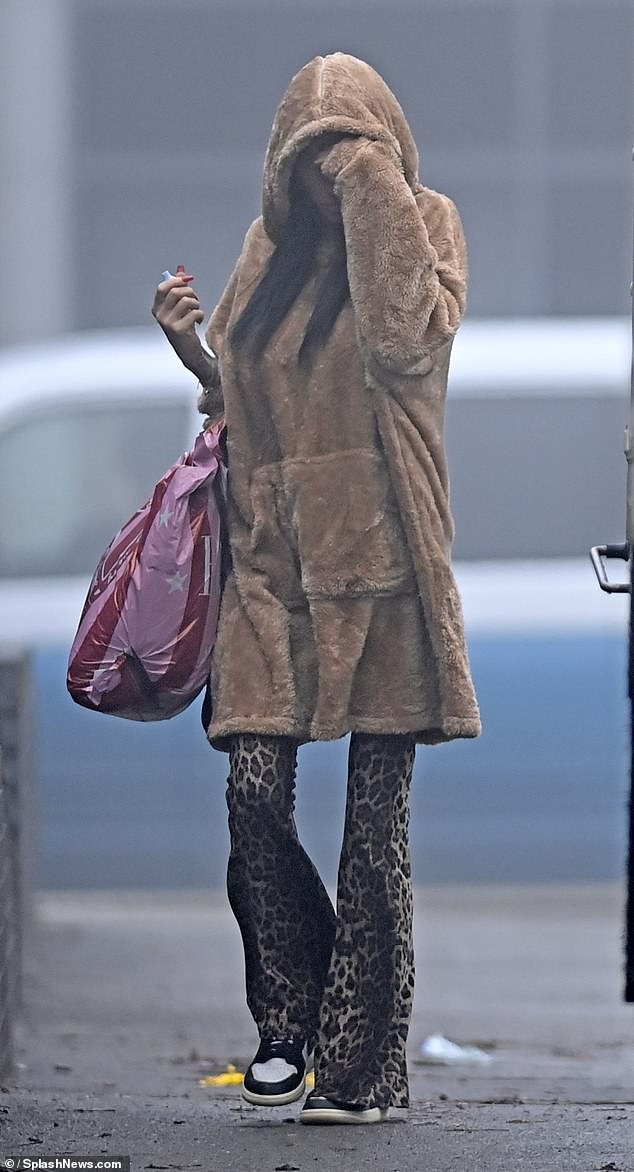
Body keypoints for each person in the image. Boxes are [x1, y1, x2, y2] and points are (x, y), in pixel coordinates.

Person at [152, 52, 480, 1126]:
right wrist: (193, 351)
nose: (325, 177)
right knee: (252, 791)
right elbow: (249, 399)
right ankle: (294, 1018)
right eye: (310, 159)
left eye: (347, 155)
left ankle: (363, 1065)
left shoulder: (425, 225)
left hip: (383, 562)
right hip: (272, 563)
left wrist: (368, 184)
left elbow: (401, 340)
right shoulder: (268, 250)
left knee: (373, 827)